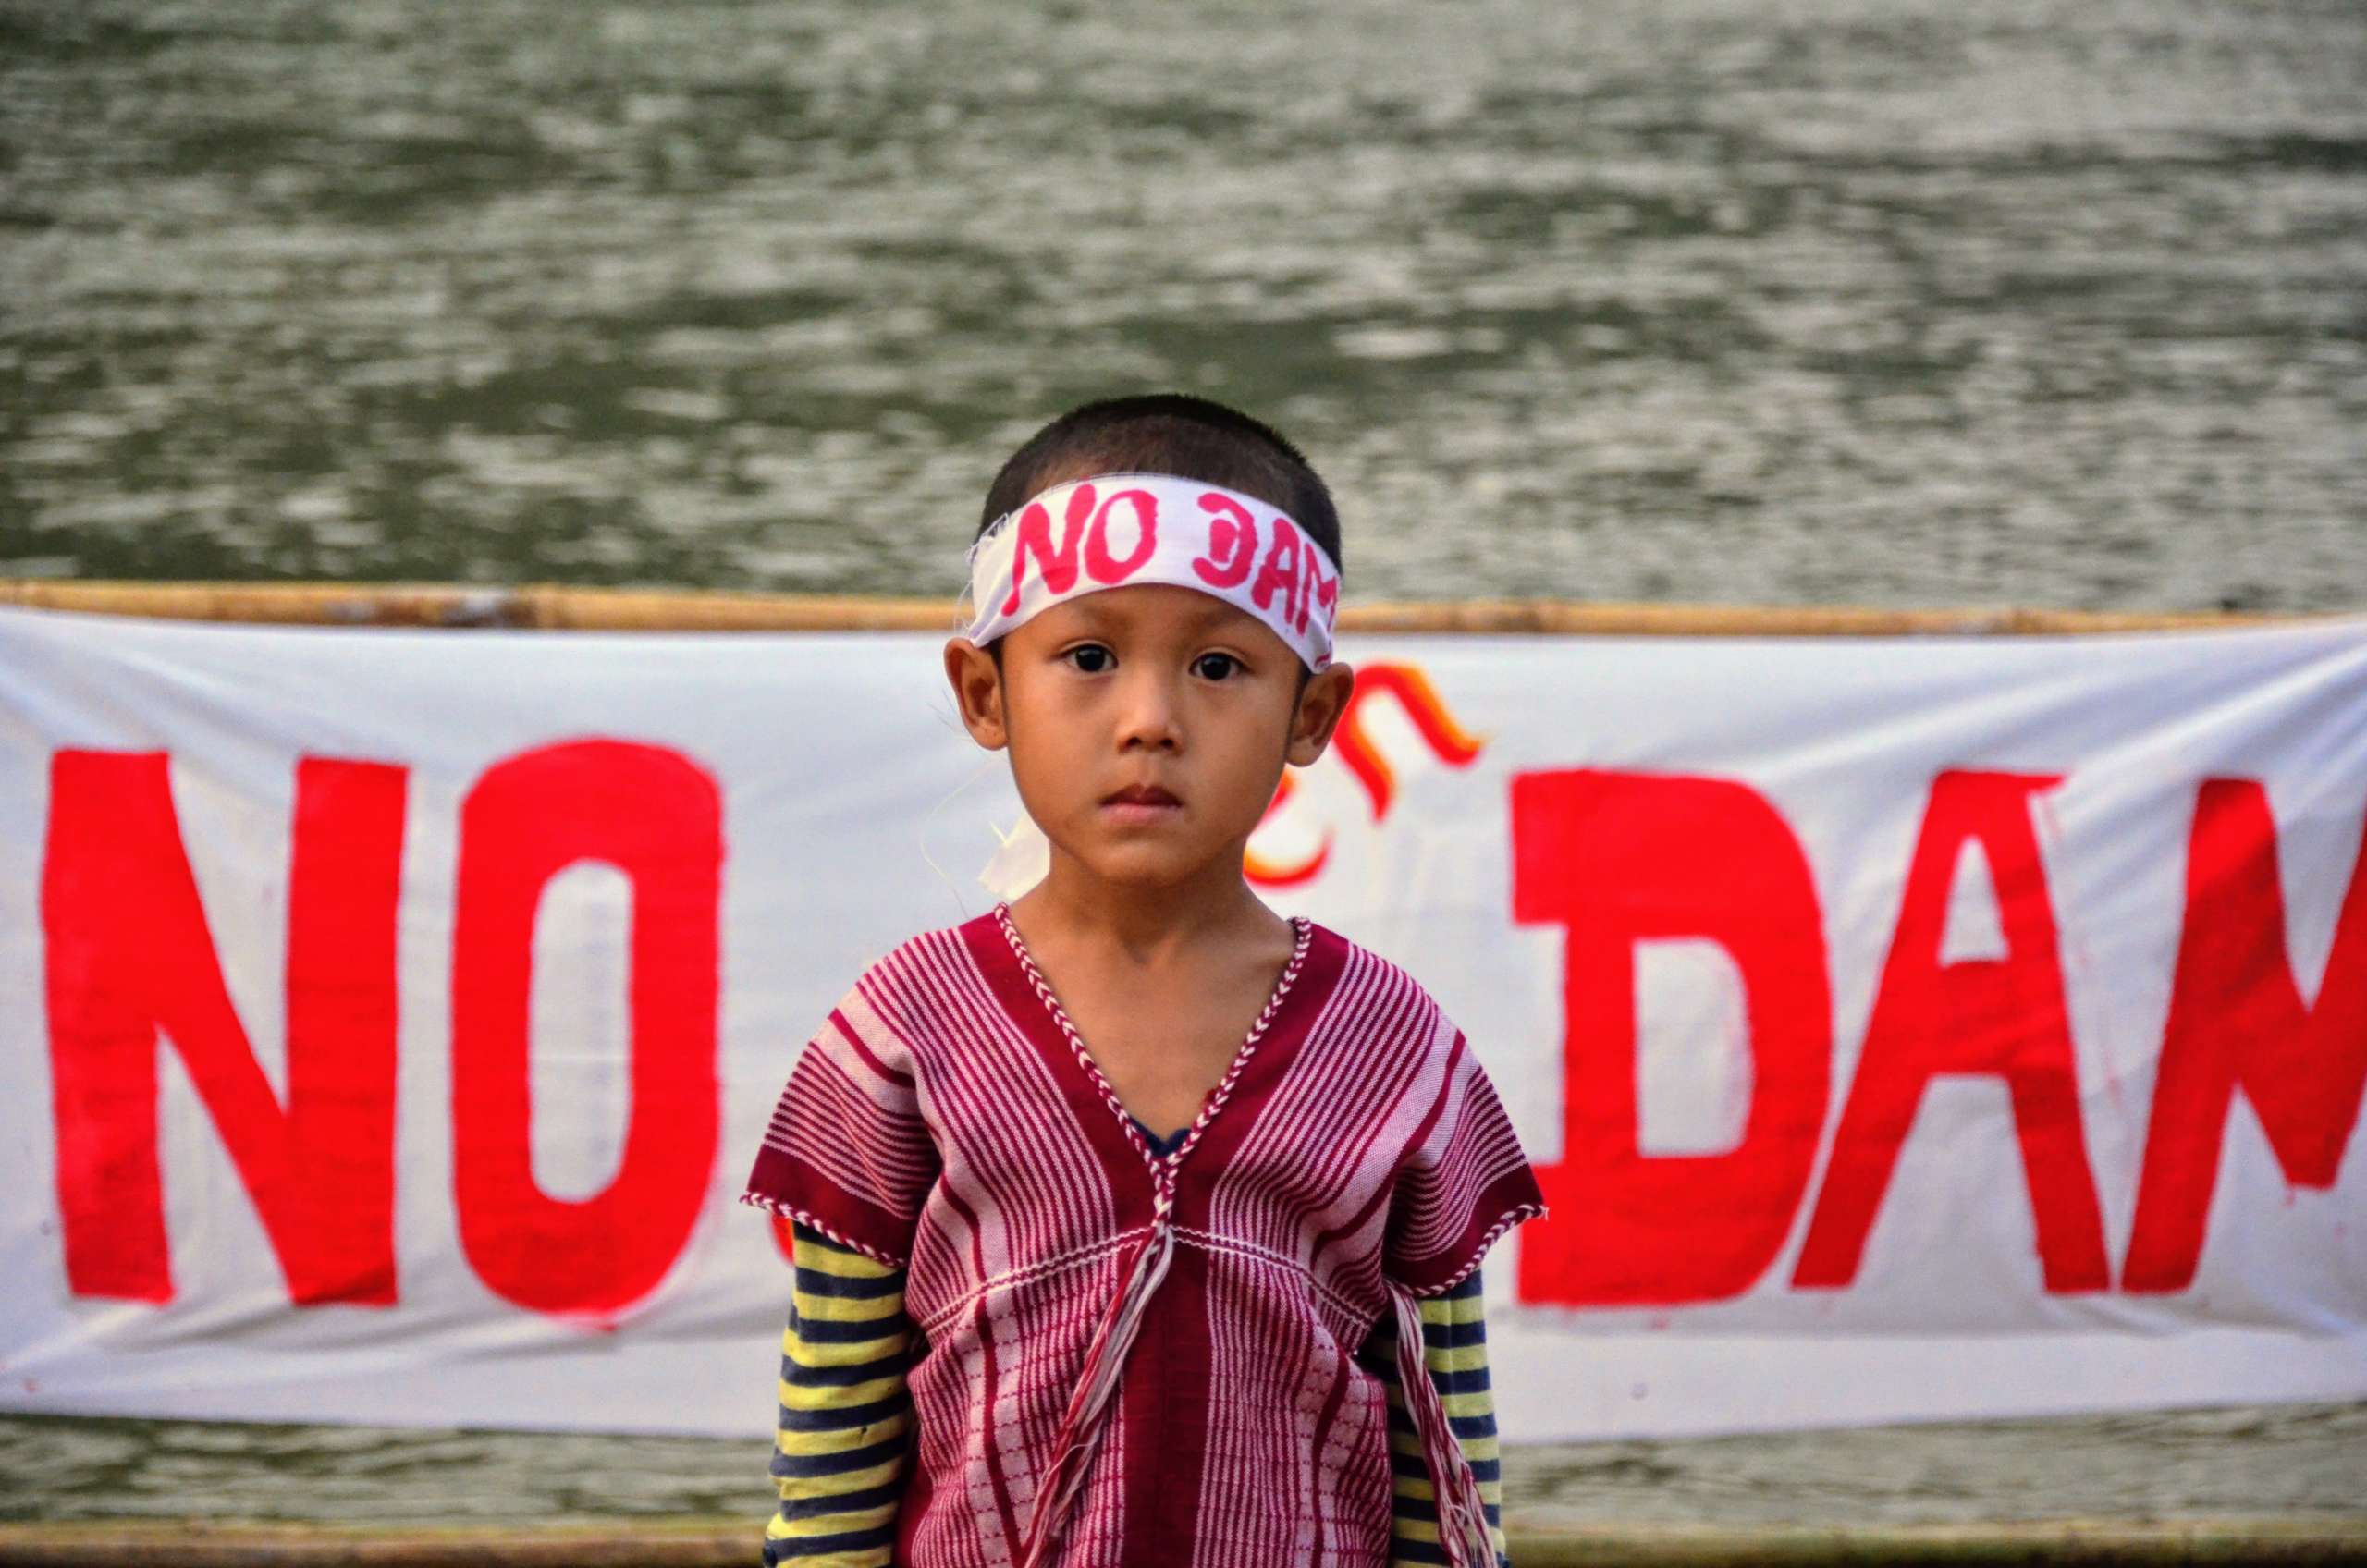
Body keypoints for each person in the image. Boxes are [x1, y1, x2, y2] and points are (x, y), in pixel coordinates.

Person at [741, 393, 1546, 1568]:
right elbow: (831, 1461)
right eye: (1088, 656)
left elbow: (1448, 1461)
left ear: (1310, 712)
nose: (1150, 719)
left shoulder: (1395, 1050)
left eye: (1219, 664)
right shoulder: (896, 1041)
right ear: (984, 692)